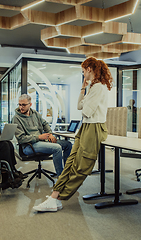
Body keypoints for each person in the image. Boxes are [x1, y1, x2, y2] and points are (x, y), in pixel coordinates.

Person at [32, 57, 112, 212]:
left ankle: (59, 198)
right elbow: (79, 105)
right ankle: (54, 196)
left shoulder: (99, 87)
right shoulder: (92, 87)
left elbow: (87, 112)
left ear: (89, 69)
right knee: (70, 163)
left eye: (83, 71)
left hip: (94, 128)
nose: (83, 74)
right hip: (86, 127)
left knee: (82, 167)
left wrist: (87, 99)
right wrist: (83, 88)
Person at [12, 94, 72, 177]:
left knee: (67, 145)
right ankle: (61, 177)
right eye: (19, 104)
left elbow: (45, 123)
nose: (21, 107)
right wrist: (39, 137)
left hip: (41, 141)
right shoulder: (16, 119)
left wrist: (50, 134)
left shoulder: (35, 114)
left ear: (30, 104)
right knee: (57, 148)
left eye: (24, 105)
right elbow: (21, 139)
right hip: (29, 146)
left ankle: (67, 173)